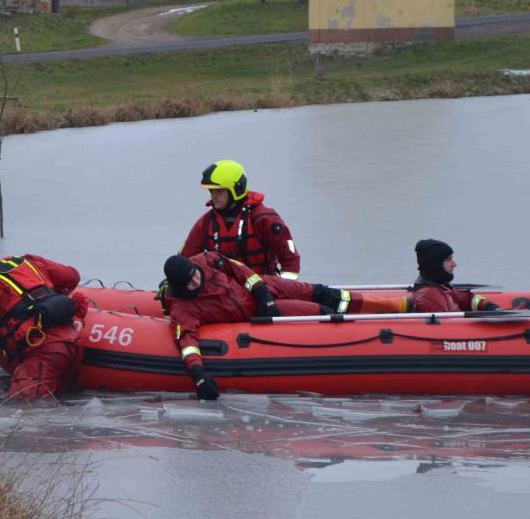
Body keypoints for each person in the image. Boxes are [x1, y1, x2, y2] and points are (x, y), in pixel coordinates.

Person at [161, 251, 402, 401]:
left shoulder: (205, 260)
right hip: (256, 314)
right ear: (180, 288)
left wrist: (261, 291)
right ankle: (370, 330)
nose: (196, 281)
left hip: (262, 289)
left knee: (318, 292)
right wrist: (198, 375)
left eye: (195, 275)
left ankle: (394, 306)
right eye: (190, 282)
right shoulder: (183, 308)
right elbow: (187, 343)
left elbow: (240, 269)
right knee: (318, 313)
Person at [0, 243, 88, 401]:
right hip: (74, 342)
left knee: (25, 411)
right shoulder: (29, 262)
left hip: (43, 355)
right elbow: (71, 277)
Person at [181, 160, 302, 278]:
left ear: (236, 190)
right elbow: (185, 259)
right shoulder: (206, 223)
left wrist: (282, 288)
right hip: (223, 291)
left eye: (219, 191)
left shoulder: (264, 219)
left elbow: (290, 259)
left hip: (264, 289)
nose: (213, 195)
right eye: (211, 191)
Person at [408, 239, 500, 313]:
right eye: (448, 260)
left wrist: (488, 306)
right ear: (435, 265)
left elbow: (468, 299)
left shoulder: (443, 288)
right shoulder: (429, 297)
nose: (454, 264)